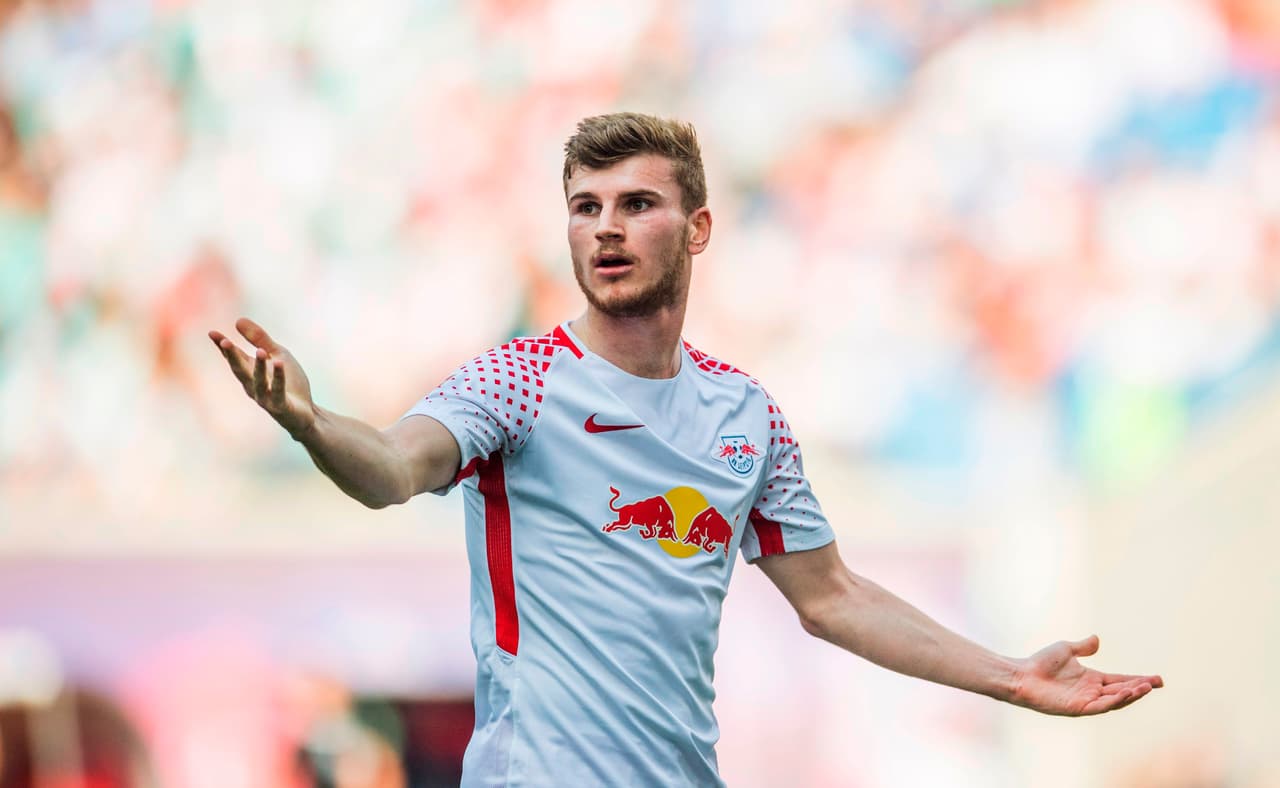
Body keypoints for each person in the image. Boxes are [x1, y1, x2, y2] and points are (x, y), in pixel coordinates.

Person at [210, 113, 1163, 787]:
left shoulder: (746, 415)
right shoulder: (518, 380)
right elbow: (390, 467)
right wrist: (309, 421)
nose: (606, 228)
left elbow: (833, 599)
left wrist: (1011, 676)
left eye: (635, 204)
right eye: (585, 207)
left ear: (698, 228)